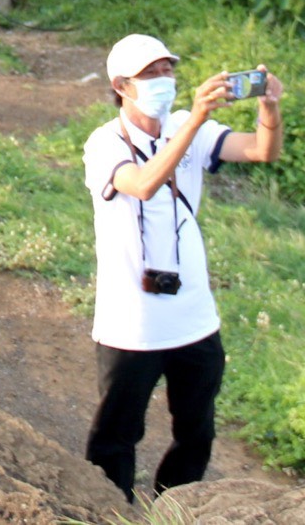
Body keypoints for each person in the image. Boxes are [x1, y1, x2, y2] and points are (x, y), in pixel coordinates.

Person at [81, 33, 285, 502]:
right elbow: (145, 183)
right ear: (121, 85)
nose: (163, 81)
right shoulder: (104, 144)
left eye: (168, 70)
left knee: (197, 432)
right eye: (150, 74)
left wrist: (269, 107)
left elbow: (261, 151)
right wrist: (194, 119)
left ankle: (175, 507)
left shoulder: (186, 126)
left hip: (194, 318)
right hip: (132, 324)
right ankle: (108, 509)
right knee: (116, 437)